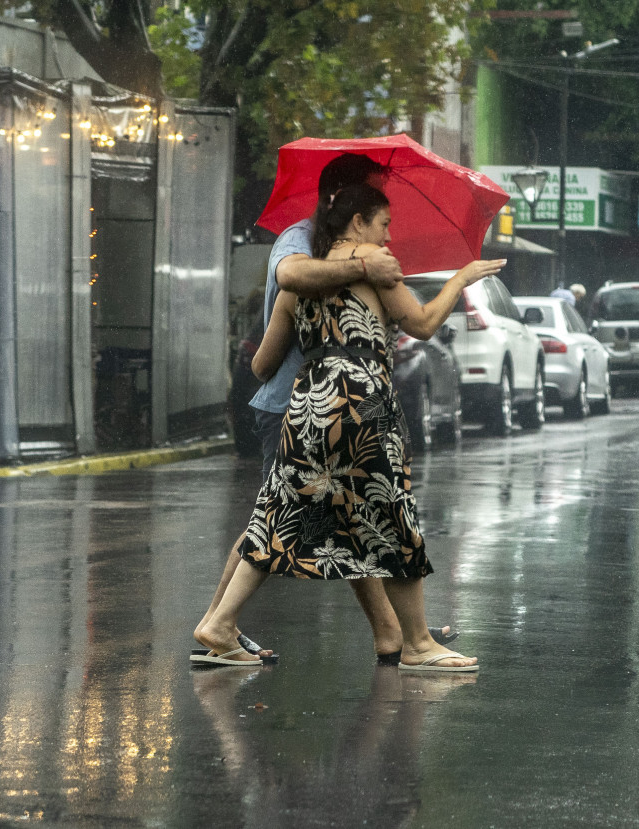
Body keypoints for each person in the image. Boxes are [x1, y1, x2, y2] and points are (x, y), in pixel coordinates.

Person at [196, 183, 504, 671]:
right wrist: (460, 279)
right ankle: (419, 644)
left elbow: (260, 365)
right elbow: (422, 324)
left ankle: (219, 621)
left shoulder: (302, 279)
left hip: (309, 407)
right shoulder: (376, 264)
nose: (388, 236)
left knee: (280, 516)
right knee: (392, 514)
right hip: (364, 402)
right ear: (358, 221)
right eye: (383, 223)